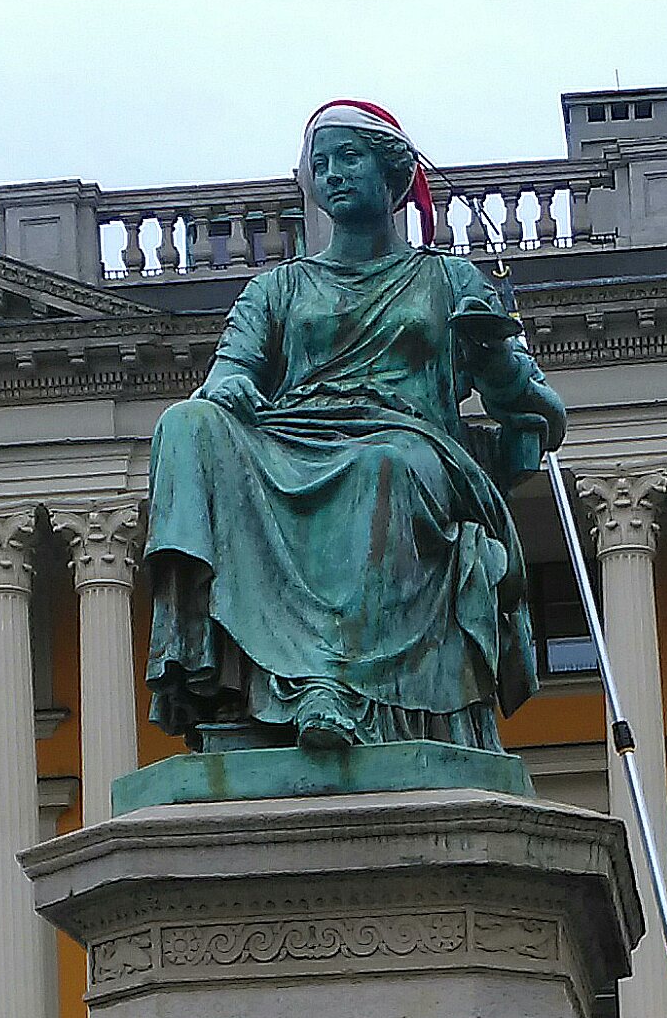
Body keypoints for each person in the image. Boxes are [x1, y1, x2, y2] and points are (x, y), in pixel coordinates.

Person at [141, 99, 571, 754]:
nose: (333, 174)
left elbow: (540, 413)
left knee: (380, 468)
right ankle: (209, 673)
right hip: (295, 436)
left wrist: (495, 360)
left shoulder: (449, 280)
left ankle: (335, 686)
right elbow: (229, 373)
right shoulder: (277, 289)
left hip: (412, 446)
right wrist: (229, 387)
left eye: (350, 157)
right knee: (185, 423)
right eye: (321, 164)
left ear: (393, 172)